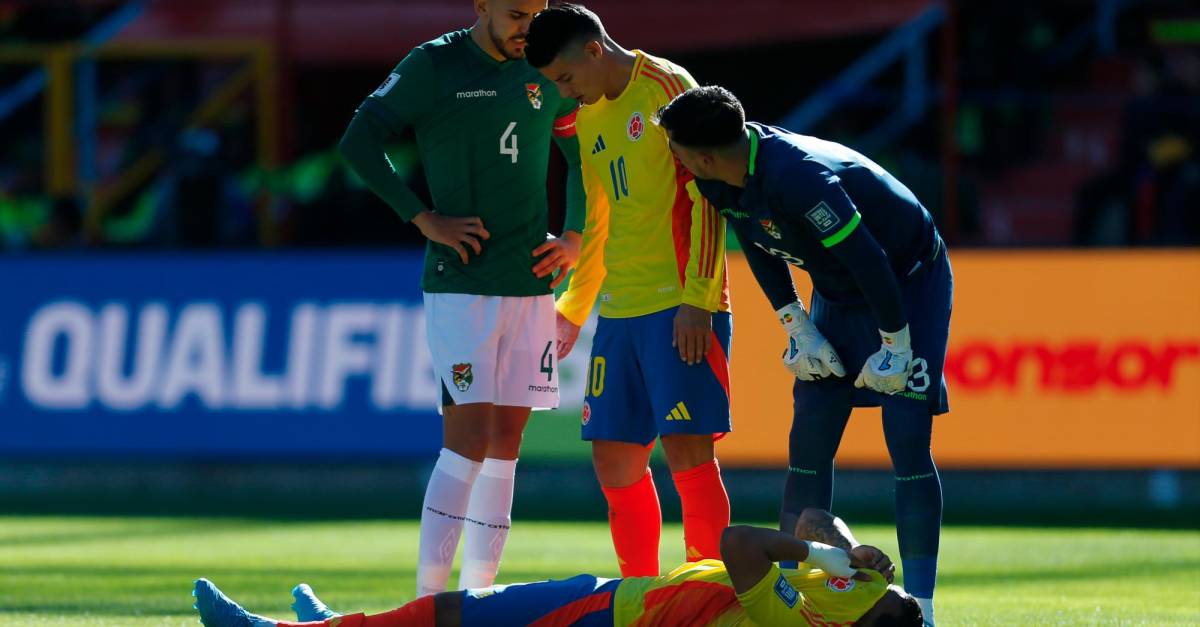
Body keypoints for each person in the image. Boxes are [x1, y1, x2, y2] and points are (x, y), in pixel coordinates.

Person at [656, 86, 951, 626]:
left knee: (906, 435)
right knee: (810, 434)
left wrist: (897, 343)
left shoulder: (799, 177)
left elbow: (871, 260)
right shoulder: (716, 174)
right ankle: (806, 593)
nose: (673, 159)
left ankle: (924, 612)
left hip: (907, 282)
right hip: (838, 291)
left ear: (700, 154)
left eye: (674, 149)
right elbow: (759, 244)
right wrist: (796, 325)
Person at [337, 0, 588, 597]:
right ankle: (428, 601)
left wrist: (574, 233)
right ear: (482, 5)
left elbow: (580, 157)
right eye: (516, 13)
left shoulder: (546, 68)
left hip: (531, 284)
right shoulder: (434, 64)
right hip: (462, 284)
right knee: (468, 441)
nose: (529, 25)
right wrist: (423, 217)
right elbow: (359, 141)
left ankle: (478, 597)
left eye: (537, 11)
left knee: (506, 447)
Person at [524, 4, 733, 576]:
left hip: (679, 306)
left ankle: (708, 597)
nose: (565, 92)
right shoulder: (588, 118)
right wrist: (574, 307)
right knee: (613, 462)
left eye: (565, 79)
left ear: (593, 50)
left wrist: (698, 298)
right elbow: (597, 221)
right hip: (619, 314)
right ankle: (640, 597)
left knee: (689, 454)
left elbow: (708, 196)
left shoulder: (666, 88)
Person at [191, 508, 924, 626]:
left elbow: (740, 541)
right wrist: (848, 545)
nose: (871, 578)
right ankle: (333, 626)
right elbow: (811, 520)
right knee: (459, 614)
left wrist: (825, 558)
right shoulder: (850, 590)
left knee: (458, 612)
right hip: (616, 599)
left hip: (608, 617)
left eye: (876, 585)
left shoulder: (797, 619)